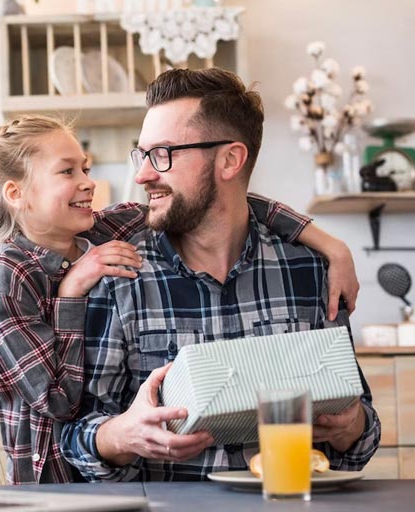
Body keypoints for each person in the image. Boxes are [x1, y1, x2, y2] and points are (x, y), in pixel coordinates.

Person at [0, 114, 360, 486]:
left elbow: (225, 200)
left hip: (100, 485)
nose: (88, 181)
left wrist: (330, 245)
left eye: (85, 168)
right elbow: (58, 402)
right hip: (49, 483)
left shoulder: (105, 229)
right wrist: (71, 290)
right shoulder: (6, 278)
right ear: (17, 194)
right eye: (68, 171)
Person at [59, 68, 381, 482]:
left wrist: (350, 427)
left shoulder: (311, 270)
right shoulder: (119, 274)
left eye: (164, 154)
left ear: (230, 159)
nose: (142, 175)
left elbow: (361, 441)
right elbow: (72, 438)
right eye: (142, 154)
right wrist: (122, 436)